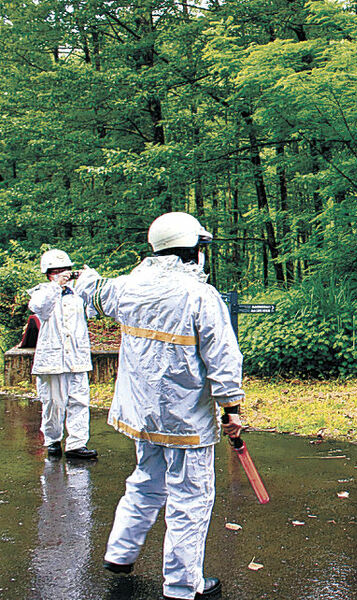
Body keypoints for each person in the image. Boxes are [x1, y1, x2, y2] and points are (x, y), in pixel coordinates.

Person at [74, 212, 243, 600]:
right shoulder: (200, 295)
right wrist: (231, 407)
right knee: (190, 497)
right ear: (191, 251)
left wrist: (85, 278)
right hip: (186, 419)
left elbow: (94, 293)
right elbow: (222, 357)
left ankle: (120, 553)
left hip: (142, 413)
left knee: (146, 482)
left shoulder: (129, 287)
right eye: (201, 248)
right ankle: (184, 586)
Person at [28, 249, 98, 460]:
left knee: (79, 401)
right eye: (56, 271)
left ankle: (77, 444)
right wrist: (56, 286)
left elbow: (94, 310)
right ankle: (52, 440)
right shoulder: (42, 292)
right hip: (52, 360)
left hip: (77, 358)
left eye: (65, 270)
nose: (63, 274)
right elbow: (39, 307)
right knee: (53, 404)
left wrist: (90, 279)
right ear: (48, 274)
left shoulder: (78, 293)